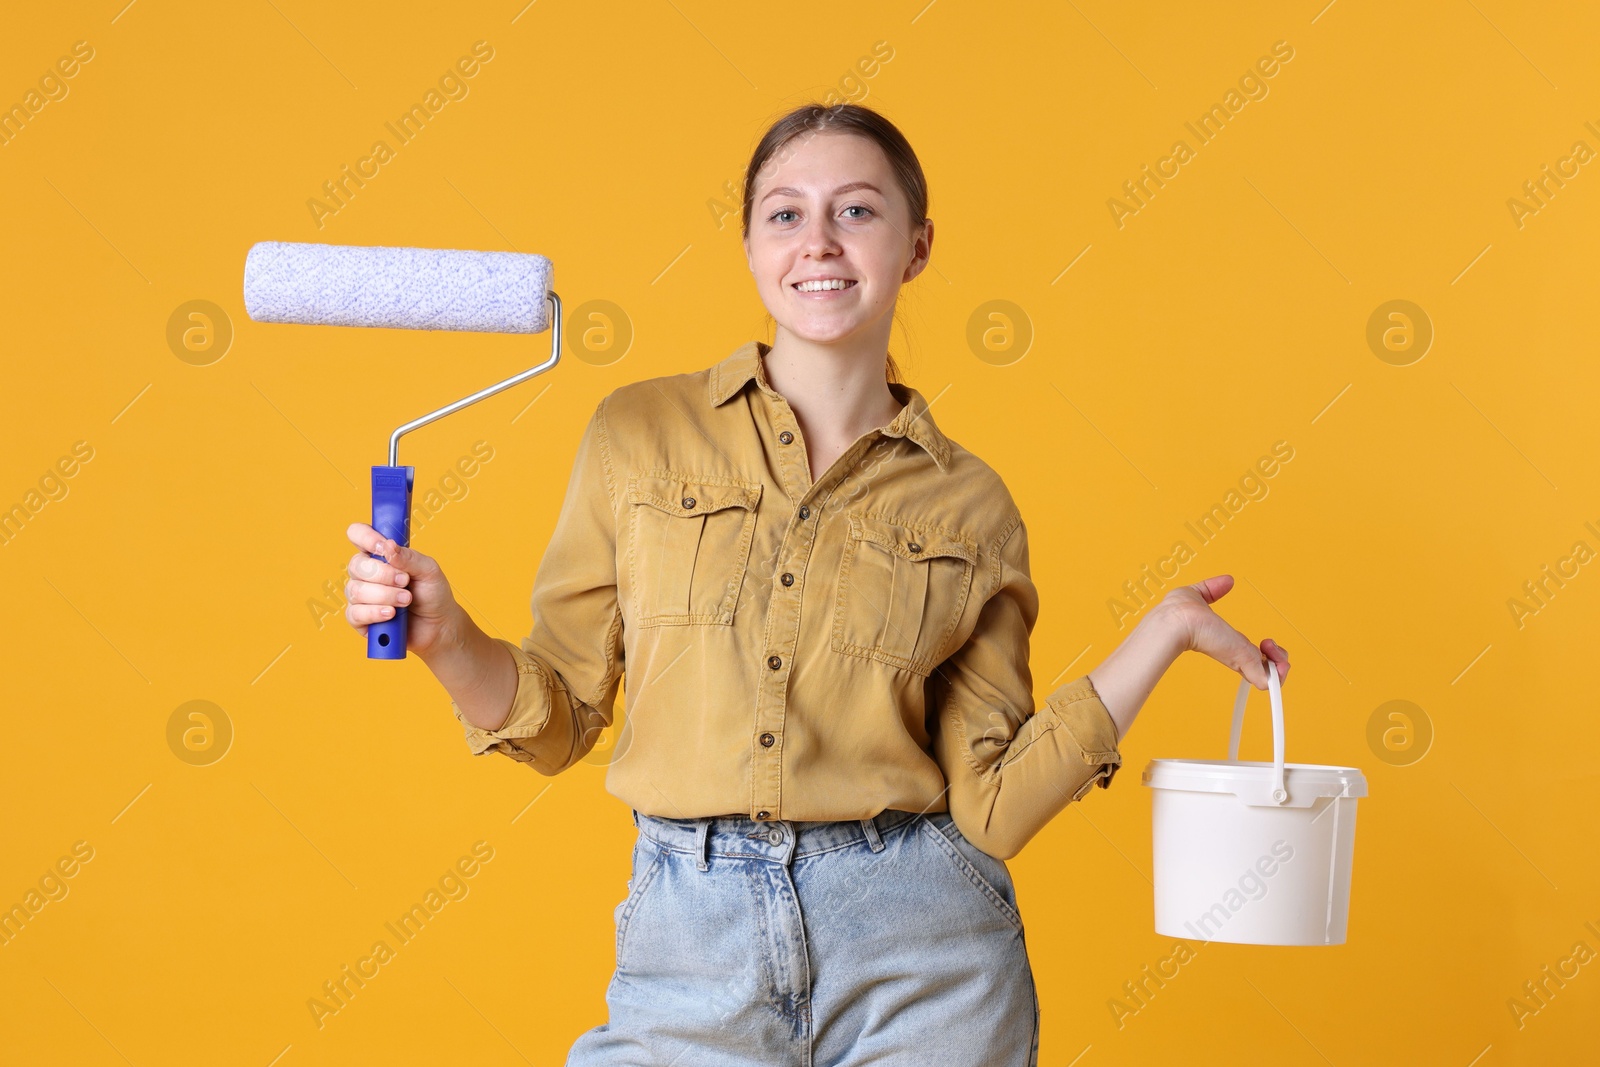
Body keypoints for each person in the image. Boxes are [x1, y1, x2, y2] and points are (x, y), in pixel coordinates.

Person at [341, 103, 1290, 1066]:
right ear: (750, 245)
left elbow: (994, 810)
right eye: (785, 214)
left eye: (858, 211)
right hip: (689, 945)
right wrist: (446, 636)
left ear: (916, 247)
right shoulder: (636, 434)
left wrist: (1162, 633)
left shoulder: (972, 505)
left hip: (925, 957)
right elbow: (560, 725)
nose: (819, 243)